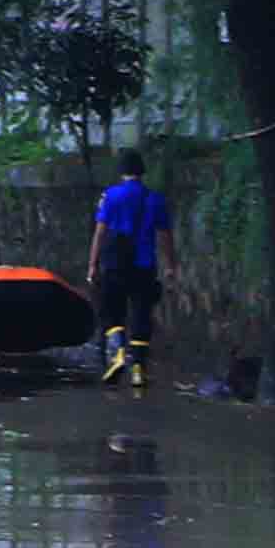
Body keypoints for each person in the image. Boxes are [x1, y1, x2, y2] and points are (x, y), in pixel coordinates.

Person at [86, 152, 173, 390]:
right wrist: (170, 266)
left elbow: (100, 232)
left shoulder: (111, 196)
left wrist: (93, 264)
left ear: (122, 171)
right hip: (144, 265)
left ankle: (118, 354)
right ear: (143, 172)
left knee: (112, 311)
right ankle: (138, 368)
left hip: (115, 263)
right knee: (142, 313)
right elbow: (165, 235)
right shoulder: (156, 199)